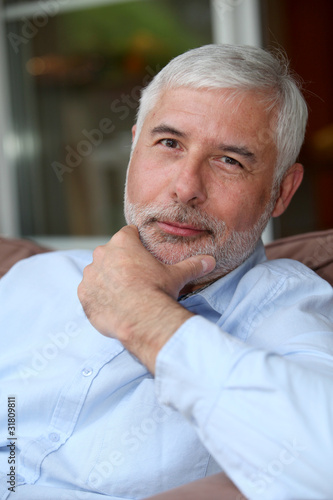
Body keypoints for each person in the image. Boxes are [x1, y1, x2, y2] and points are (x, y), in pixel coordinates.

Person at [0, 45, 332, 500]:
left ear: (281, 192)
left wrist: (146, 317)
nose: (186, 187)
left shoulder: (286, 308)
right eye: (169, 144)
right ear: (135, 148)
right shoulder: (34, 278)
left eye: (230, 161)